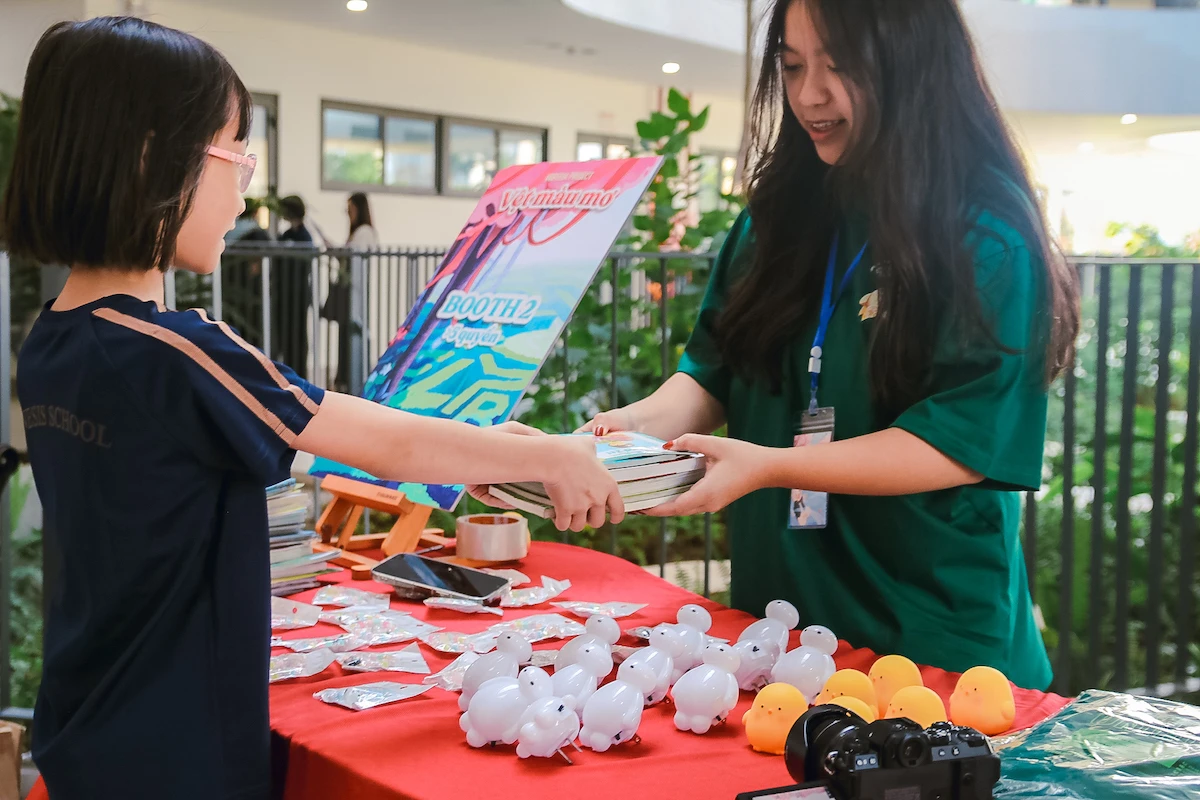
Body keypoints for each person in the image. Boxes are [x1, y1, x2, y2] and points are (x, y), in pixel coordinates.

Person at [2, 17, 623, 799]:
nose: (244, 187)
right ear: (154, 159)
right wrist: (544, 455)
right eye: (237, 154)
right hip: (178, 746)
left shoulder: (51, 341)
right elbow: (374, 440)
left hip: (91, 721)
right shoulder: (175, 351)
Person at [575, 0, 1080, 690]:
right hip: (777, 629)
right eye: (791, 65)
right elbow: (715, 371)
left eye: (840, 66)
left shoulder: (983, 232)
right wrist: (627, 430)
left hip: (930, 641)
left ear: (913, 67)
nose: (810, 94)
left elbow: (959, 442)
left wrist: (771, 466)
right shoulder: (775, 216)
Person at [327, 192, 377, 391]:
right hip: (349, 290)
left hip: (354, 290)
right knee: (345, 334)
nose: (348, 214)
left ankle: (350, 379)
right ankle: (344, 378)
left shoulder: (364, 232)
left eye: (350, 209)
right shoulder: (358, 232)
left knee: (352, 332)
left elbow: (354, 259)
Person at [273, 194, 313, 377]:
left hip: (297, 294)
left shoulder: (304, 237)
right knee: (285, 335)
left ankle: (299, 374)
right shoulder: (287, 235)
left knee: (297, 336)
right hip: (284, 293)